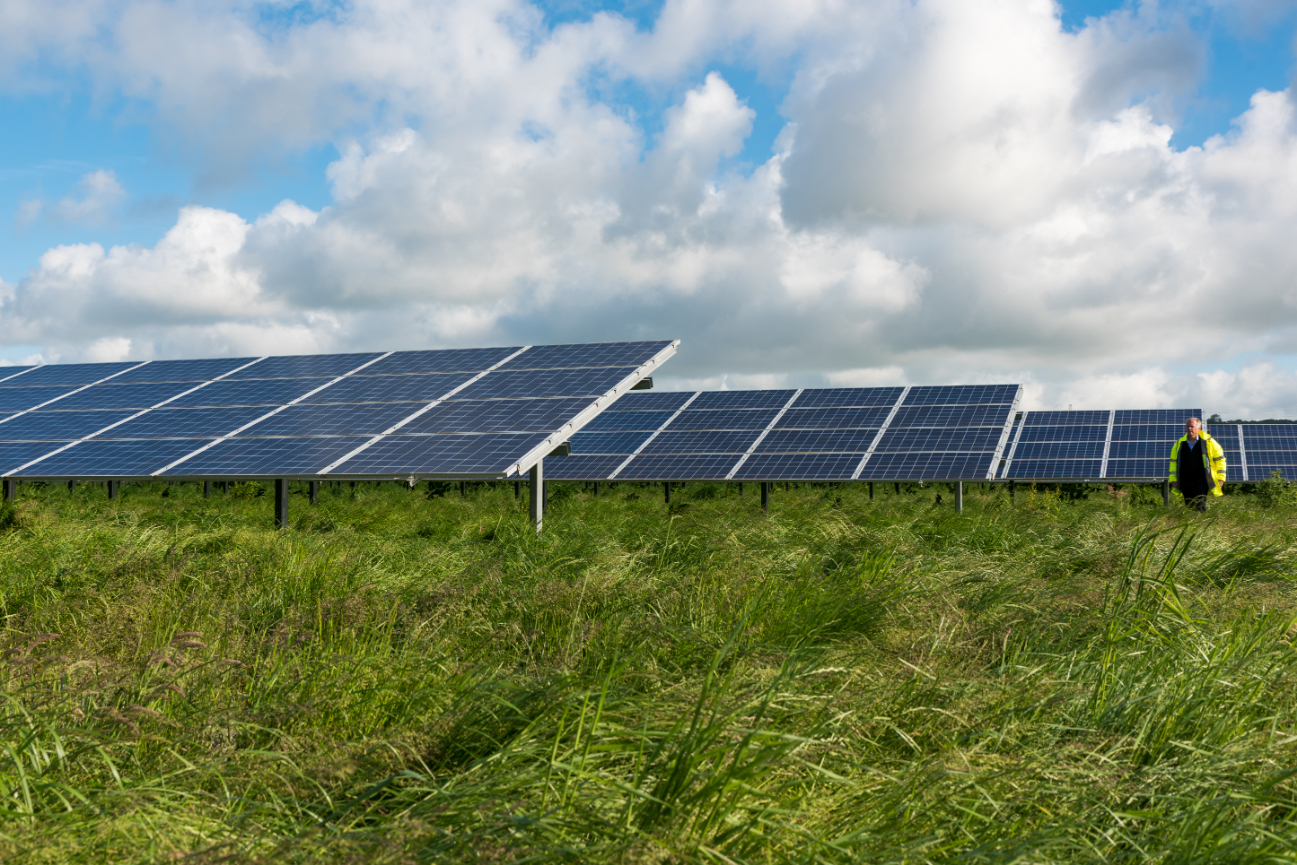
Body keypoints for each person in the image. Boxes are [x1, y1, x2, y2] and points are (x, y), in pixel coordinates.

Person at [1169, 417, 1226, 511]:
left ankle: (1201, 523)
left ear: (1199, 428)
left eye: (1192, 426)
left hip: (1202, 480)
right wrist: (1174, 479)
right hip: (1185, 480)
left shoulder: (1209, 442)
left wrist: (1221, 478)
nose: (1189, 429)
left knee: (1200, 505)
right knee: (1189, 506)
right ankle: (1191, 524)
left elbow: (1220, 460)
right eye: (1187, 426)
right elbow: (1173, 463)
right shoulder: (1180, 443)